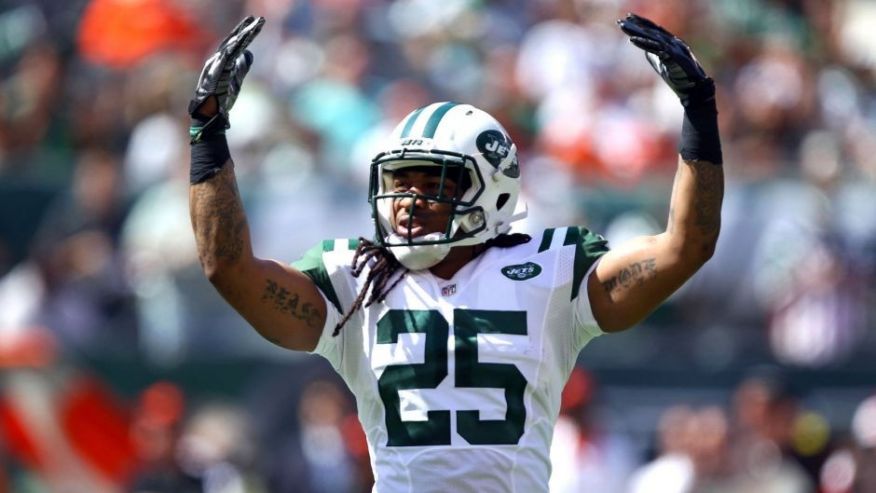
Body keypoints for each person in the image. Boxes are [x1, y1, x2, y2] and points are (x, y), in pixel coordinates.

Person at [187, 13, 724, 492]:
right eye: (399, 181)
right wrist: (208, 133)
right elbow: (228, 268)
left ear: (489, 189)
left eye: (432, 183)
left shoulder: (554, 270)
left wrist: (698, 113)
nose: (406, 201)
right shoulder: (355, 279)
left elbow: (685, 246)